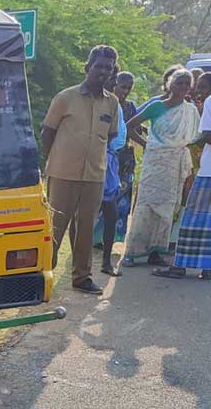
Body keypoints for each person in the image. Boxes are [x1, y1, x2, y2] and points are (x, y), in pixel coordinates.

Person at [42, 45, 120, 294]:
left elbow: (110, 136)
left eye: (108, 68)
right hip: (63, 173)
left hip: (95, 176)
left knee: (86, 227)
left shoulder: (112, 102)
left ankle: (82, 277)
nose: (103, 71)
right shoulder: (66, 97)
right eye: (98, 66)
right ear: (88, 68)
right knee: (55, 226)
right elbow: (47, 132)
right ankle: (43, 274)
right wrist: (54, 161)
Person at [154, 59, 211, 280]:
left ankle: (180, 266)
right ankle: (209, 268)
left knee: (195, 218)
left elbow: (207, 135)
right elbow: (207, 135)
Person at [122, 69, 199, 267]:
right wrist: (146, 143)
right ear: (170, 85)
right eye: (179, 83)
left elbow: (194, 136)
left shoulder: (189, 111)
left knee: (167, 207)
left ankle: (155, 251)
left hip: (174, 164)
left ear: (190, 87)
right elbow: (129, 126)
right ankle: (132, 252)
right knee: (146, 205)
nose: (182, 87)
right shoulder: (157, 106)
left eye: (186, 84)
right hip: (155, 161)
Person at [168, 71, 211, 248]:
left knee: (195, 198)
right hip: (188, 157)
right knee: (183, 195)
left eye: (204, 87)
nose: (199, 91)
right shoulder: (192, 107)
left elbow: (205, 135)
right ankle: (175, 238)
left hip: (204, 159)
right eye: (198, 86)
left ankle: (188, 240)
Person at [94, 70, 135, 275]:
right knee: (82, 213)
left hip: (109, 161)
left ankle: (105, 263)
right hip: (94, 160)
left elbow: (118, 138)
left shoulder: (115, 105)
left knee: (111, 212)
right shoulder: (99, 102)